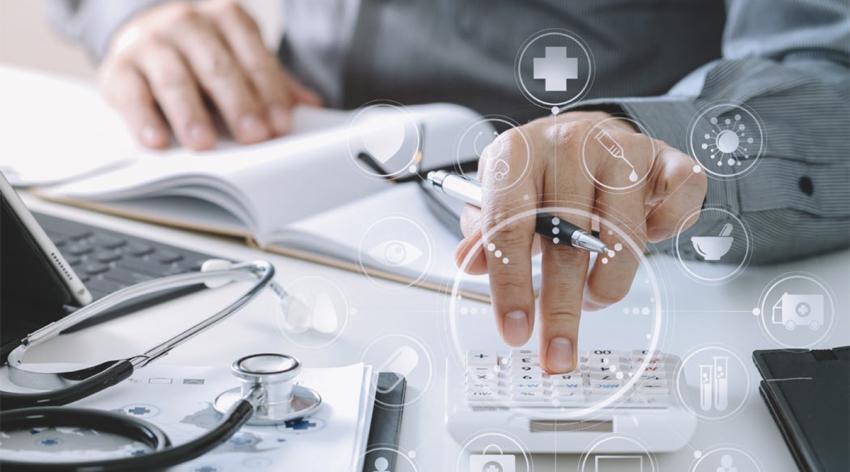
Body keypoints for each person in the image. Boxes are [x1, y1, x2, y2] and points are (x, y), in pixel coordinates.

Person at [48, 0, 849, 373]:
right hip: (284, 159)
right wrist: (133, 14)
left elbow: (831, 70)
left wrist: (647, 139)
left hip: (614, 250)